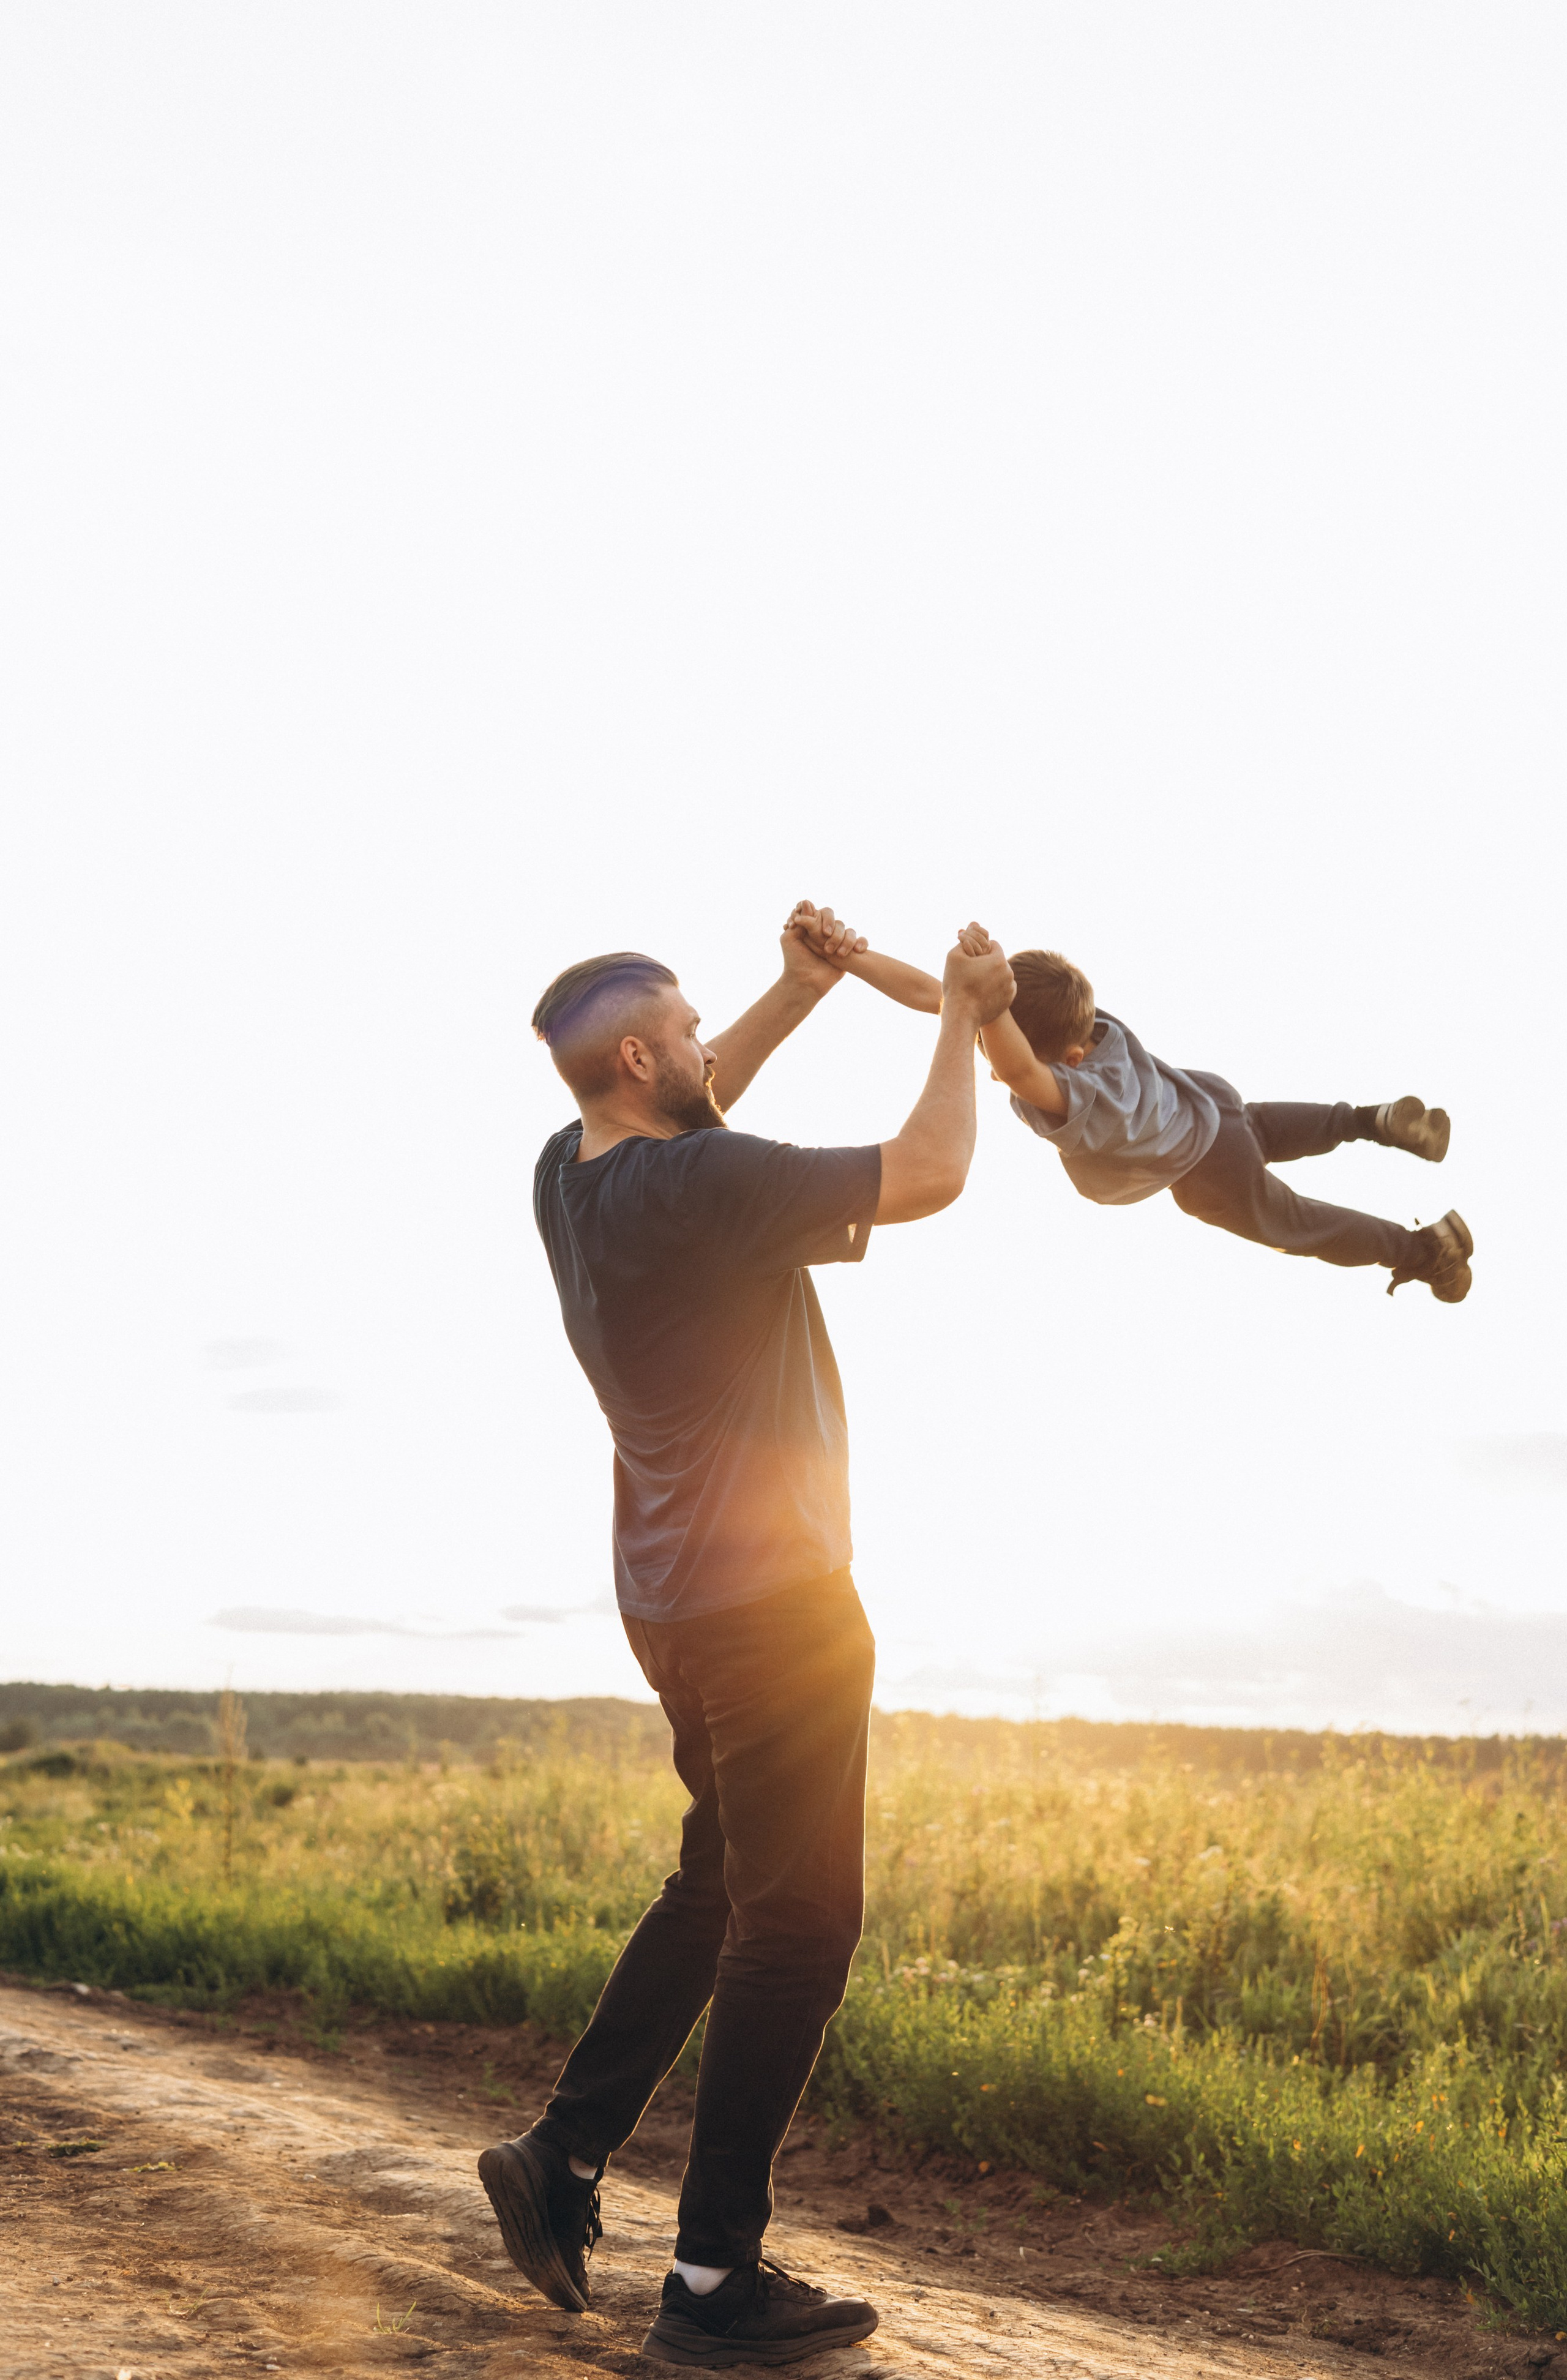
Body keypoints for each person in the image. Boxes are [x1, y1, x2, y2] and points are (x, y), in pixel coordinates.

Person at [482, 908, 1014, 2368]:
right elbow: (933, 1173)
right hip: (777, 1604)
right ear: (643, 1054)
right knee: (800, 1926)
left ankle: (564, 2151)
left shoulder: (571, 1174)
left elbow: (701, 1120)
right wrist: (961, 1014)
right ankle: (713, 2281)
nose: (719, 1045)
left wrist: (795, 988)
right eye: (698, 1025)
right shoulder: (699, 1180)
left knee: (718, 1882)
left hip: (669, 1599)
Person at [790, 905, 1472, 1303]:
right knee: (1261, 1125)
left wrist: (988, 1006)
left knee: (1292, 1220)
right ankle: (1370, 1122)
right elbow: (935, 996)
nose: (990, 1066)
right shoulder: (1090, 1028)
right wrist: (853, 958)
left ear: (1068, 1060)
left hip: (1201, 1167)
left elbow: (1021, 1065)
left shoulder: (1078, 1091)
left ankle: (1418, 1249)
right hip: (1205, 1100)